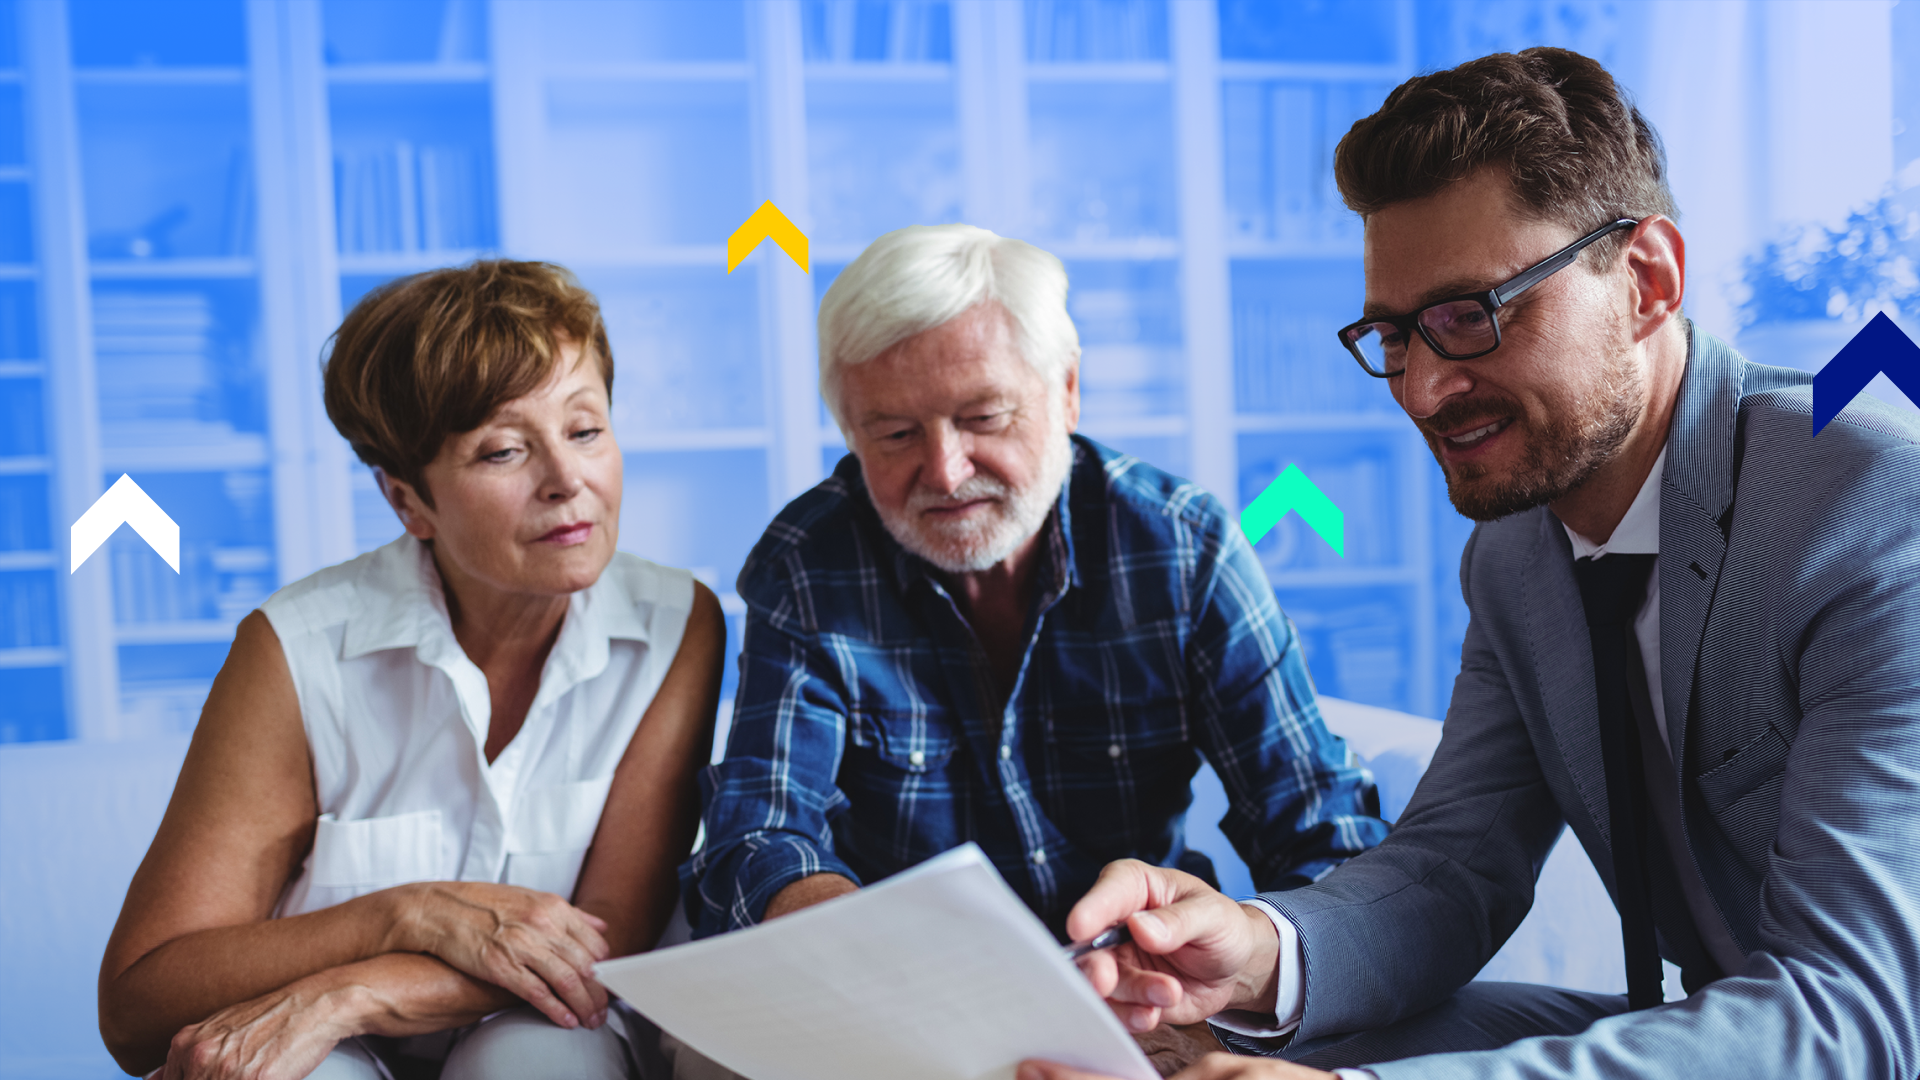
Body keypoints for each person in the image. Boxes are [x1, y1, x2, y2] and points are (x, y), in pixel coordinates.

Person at [1018, 46, 1920, 1080]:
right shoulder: (1515, 550)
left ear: (1649, 280)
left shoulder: (1871, 507)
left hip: (1860, 1031)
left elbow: (1859, 1015)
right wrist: (1253, 954)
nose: (1426, 389)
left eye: (1472, 316)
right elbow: (1454, 865)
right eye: (1396, 335)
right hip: (1728, 1022)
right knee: (1204, 1049)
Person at [682, 223, 1385, 957]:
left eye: (983, 417)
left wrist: (1239, 983)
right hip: (905, 982)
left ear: (1068, 391)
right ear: (850, 434)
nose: (947, 472)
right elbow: (758, 835)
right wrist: (852, 936)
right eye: (893, 434)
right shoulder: (808, 563)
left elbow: (1320, 827)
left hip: (1144, 977)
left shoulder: (1182, 547)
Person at [98, 261, 726, 1080]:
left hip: (546, 1024)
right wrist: (405, 914)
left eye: (585, 430)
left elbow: (607, 940)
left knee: (537, 1058)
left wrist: (351, 992)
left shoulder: (677, 624)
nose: (567, 482)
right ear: (408, 503)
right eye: (504, 451)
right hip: (335, 1054)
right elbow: (140, 1006)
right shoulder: (296, 648)